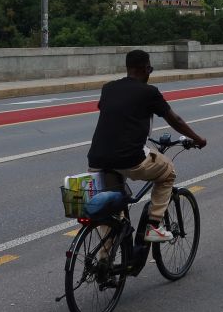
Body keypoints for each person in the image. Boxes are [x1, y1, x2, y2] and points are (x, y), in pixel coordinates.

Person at [87, 49, 207, 242]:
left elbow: (112, 112)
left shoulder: (108, 88)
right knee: (168, 172)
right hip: (129, 159)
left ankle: (103, 265)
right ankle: (153, 226)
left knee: (112, 214)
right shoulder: (149, 92)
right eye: (150, 69)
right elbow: (175, 120)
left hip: (97, 159)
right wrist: (198, 139)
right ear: (144, 69)